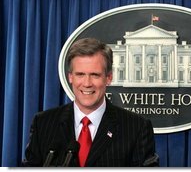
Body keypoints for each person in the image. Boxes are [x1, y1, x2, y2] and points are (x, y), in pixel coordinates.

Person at [22, 38, 159, 167]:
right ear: (70, 77)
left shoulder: (137, 128)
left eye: (95, 75)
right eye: (80, 74)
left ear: (109, 78)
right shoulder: (43, 124)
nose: (87, 83)